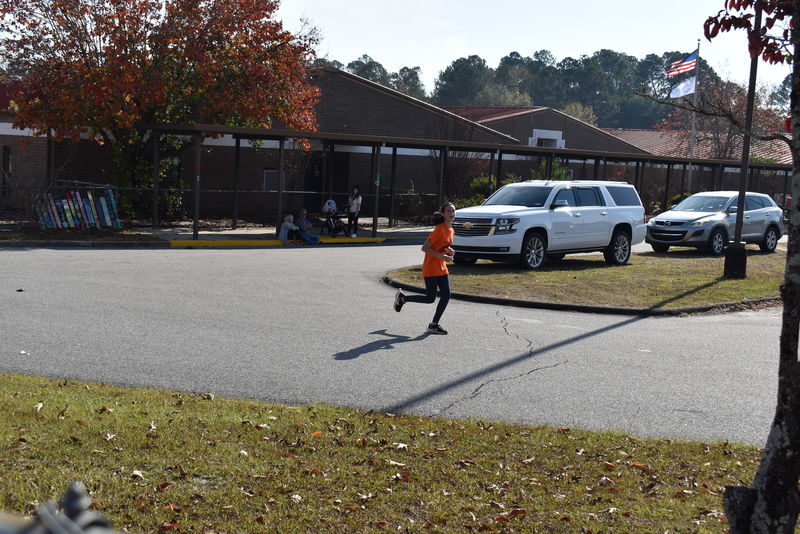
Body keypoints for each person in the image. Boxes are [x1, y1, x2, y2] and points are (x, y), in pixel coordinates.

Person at [392, 202, 456, 335]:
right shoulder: (439, 229)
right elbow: (425, 248)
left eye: (453, 211)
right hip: (431, 268)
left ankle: (434, 324)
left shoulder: (451, 230)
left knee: (446, 295)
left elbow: (441, 246)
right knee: (430, 298)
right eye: (449, 211)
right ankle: (403, 299)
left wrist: (449, 251)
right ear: (443, 214)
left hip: (441, 268)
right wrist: (444, 257)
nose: (452, 213)